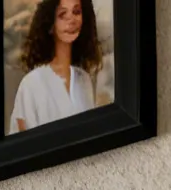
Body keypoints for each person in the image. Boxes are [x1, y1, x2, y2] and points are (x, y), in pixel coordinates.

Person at [10, 0, 103, 132]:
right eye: (62, 14)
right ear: (50, 24)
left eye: (76, 12)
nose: (71, 20)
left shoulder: (85, 81)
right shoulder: (31, 84)